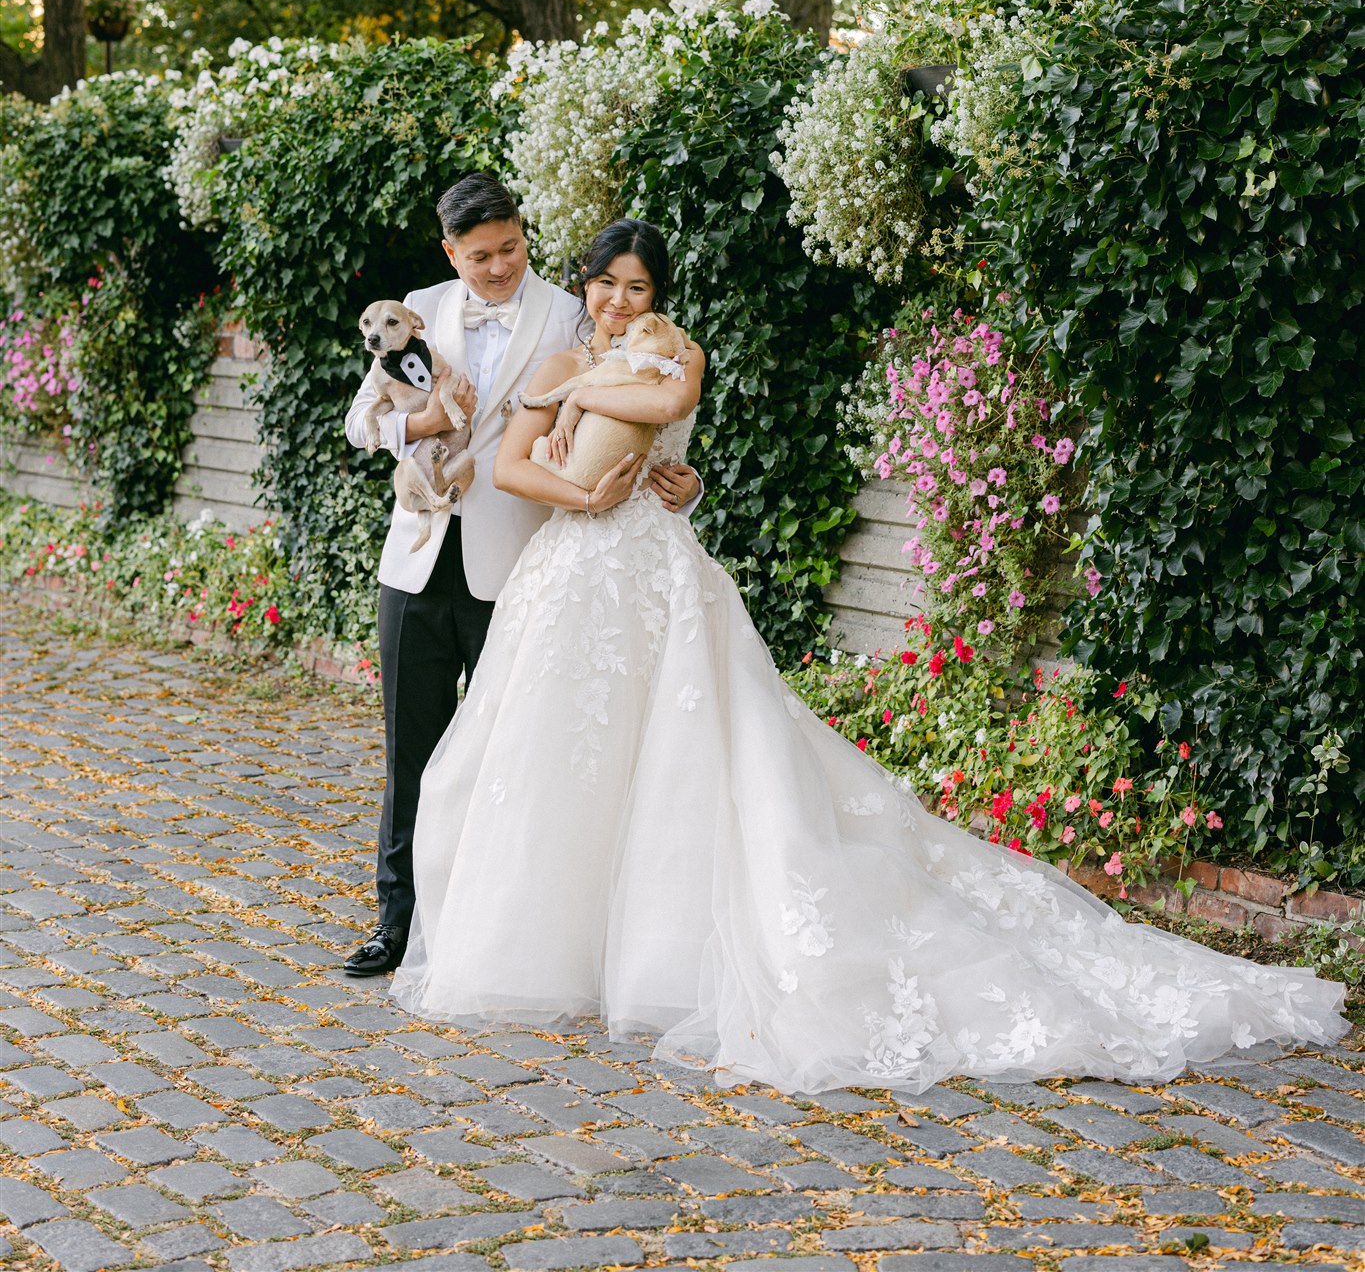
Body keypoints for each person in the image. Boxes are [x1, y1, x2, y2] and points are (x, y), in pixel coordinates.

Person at [392, 214, 1345, 1091]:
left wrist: (660, 482)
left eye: (637, 288)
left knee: (686, 756)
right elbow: (511, 466)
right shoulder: (558, 356)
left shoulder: (678, 354)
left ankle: (661, 955)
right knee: (557, 755)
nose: (616, 301)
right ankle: (553, 943)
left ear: (659, 294)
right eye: (605, 283)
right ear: (586, 281)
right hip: (571, 570)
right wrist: (581, 495)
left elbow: (670, 402)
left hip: (653, 566)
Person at [341, 180, 701, 979]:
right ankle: (395, 925)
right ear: (450, 253)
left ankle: (478, 923)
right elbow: (361, 421)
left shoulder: (577, 314)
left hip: (523, 562)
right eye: (480, 257)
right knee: (412, 748)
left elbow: (641, 411)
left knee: (504, 756)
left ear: (524, 235)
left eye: (510, 248)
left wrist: (685, 480)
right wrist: (422, 423)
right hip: (415, 559)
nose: (499, 267)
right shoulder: (418, 307)